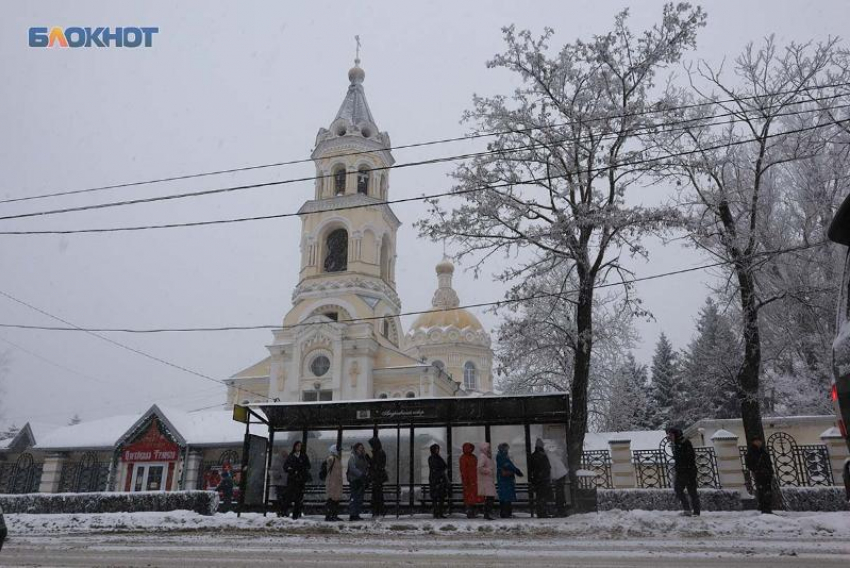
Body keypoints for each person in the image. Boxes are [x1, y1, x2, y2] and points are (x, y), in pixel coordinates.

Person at [666, 427, 700, 517]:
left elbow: (689, 457)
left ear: (676, 434)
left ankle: (691, 510)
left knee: (684, 490)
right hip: (685, 471)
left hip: (687, 471)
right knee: (689, 491)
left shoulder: (684, 443)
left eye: (671, 434)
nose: (669, 436)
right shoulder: (678, 443)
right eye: (669, 435)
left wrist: (681, 467)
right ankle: (693, 511)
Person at [745, 436, 774, 514]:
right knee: (762, 491)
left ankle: (767, 507)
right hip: (759, 474)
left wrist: (770, 472)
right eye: (756, 441)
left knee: (768, 491)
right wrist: (757, 470)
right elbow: (749, 463)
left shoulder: (763, 451)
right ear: (753, 442)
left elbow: (768, 463)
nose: (759, 442)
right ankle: (764, 508)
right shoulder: (751, 452)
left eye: (759, 441)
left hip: (767, 474)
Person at [283, 441, 311, 520]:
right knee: (289, 497)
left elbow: (308, 466)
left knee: (298, 498)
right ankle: (285, 512)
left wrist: (301, 470)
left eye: (300, 446)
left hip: (300, 480)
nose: (298, 447)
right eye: (297, 446)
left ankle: (296, 513)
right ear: (294, 447)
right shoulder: (291, 456)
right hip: (292, 480)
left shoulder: (303, 456)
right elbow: (285, 466)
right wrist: (291, 470)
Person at [496, 443, 523, 518]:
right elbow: (508, 465)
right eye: (507, 448)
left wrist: (515, 470)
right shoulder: (502, 456)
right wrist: (516, 470)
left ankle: (506, 512)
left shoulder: (502, 456)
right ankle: (505, 512)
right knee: (506, 496)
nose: (508, 450)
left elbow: (508, 465)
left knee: (506, 496)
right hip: (505, 479)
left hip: (505, 479)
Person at [529, 438, 552, 518]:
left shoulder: (533, 456)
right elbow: (548, 467)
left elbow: (530, 468)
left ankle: (540, 512)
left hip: (536, 480)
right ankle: (543, 512)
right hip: (543, 480)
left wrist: (534, 478)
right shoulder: (543, 456)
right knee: (543, 497)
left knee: (539, 496)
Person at [347, 442, 369, 521]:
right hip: (355, 480)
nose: (362, 449)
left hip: (361, 480)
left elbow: (366, 467)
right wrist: (361, 475)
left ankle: (356, 514)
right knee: (354, 497)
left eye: (362, 448)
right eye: (360, 448)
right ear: (356, 449)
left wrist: (365, 475)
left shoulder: (363, 457)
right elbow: (352, 468)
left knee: (359, 498)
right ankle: (353, 514)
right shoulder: (353, 457)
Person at [547, 443, 569, 517]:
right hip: (562, 474)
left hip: (560, 476)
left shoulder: (549, 458)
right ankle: (561, 509)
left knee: (559, 493)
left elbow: (552, 469)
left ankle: (560, 510)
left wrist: (552, 479)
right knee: (560, 493)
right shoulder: (552, 456)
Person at [368, 436, 388, 518]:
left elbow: (376, 465)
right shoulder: (379, 452)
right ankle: (379, 510)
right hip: (378, 478)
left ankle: (378, 510)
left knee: (377, 494)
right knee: (378, 494)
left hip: (377, 478)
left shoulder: (379, 453)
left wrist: (369, 460)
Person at [428, 443, 449, 518]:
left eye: (438, 449)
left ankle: (438, 512)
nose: (437, 450)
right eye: (436, 449)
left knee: (440, 497)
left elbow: (443, 466)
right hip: (436, 480)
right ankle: (437, 512)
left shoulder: (436, 457)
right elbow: (437, 467)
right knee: (436, 497)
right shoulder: (433, 458)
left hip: (439, 480)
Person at [459, 442, 480, 518]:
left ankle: (472, 512)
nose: (471, 449)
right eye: (469, 448)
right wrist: (466, 480)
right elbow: (463, 470)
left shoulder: (471, 457)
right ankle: (470, 512)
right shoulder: (465, 458)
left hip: (473, 480)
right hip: (469, 481)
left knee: (472, 497)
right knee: (470, 497)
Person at [324, 445, 344, 522]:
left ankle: (334, 515)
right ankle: (329, 515)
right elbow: (328, 462)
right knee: (331, 499)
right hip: (332, 482)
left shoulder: (337, 459)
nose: (339, 451)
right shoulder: (332, 458)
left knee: (336, 499)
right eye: (338, 450)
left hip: (336, 483)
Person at [477, 442, 496, 520]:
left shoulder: (486, 456)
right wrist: (488, 471)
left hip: (488, 480)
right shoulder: (483, 456)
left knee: (490, 498)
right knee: (489, 498)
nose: (489, 449)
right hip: (486, 481)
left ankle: (487, 514)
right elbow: (479, 468)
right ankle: (487, 514)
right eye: (488, 448)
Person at [270, 449, 290, 518]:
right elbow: (272, 470)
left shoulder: (289, 460)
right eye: (283, 453)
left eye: (285, 453)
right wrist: (278, 475)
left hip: (287, 483)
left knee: (286, 498)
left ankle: (284, 511)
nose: (284, 454)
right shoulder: (277, 461)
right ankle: (280, 511)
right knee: (280, 498)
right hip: (279, 483)